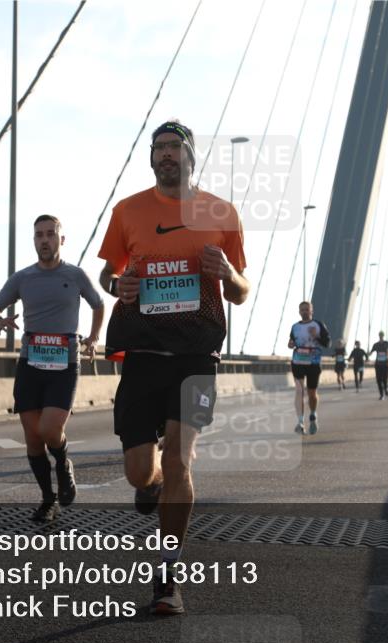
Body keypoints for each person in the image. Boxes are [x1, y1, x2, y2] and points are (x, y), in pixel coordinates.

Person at [97, 120, 249, 615]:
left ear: (190, 156)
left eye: (174, 147)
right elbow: (108, 272)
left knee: (182, 459)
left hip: (196, 357)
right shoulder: (128, 211)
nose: (165, 154)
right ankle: (153, 482)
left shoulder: (221, 213)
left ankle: (167, 576)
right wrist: (117, 284)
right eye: (158, 147)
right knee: (140, 473)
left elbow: (241, 291)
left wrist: (228, 273)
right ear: (151, 158)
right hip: (142, 355)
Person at [0, 214, 104, 522]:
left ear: (61, 239)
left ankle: (63, 463)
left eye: (51, 234)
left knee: (50, 430)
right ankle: (48, 499)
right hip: (31, 364)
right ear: (34, 240)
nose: (45, 240)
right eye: (39, 235)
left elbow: (98, 304)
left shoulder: (75, 275)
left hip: (64, 365)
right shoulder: (23, 278)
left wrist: (93, 338)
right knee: (34, 438)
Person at [288, 301, 330, 433]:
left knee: (312, 393)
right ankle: (300, 422)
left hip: (313, 363)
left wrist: (316, 336)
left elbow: (327, 343)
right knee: (299, 391)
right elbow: (291, 341)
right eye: (302, 310)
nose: (304, 312)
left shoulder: (318, 325)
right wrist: (290, 344)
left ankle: (313, 415)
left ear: (312, 311)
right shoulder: (295, 327)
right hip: (297, 362)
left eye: (307, 309)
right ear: (299, 312)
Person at [369, 331, 388, 400]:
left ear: (383, 336)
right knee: (378, 380)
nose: (381, 336)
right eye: (380, 335)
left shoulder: (387, 343)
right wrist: (368, 354)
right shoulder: (376, 344)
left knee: (385, 379)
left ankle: (385, 389)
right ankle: (381, 394)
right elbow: (371, 352)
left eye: (382, 335)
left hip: (385, 364)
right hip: (378, 364)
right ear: (379, 336)